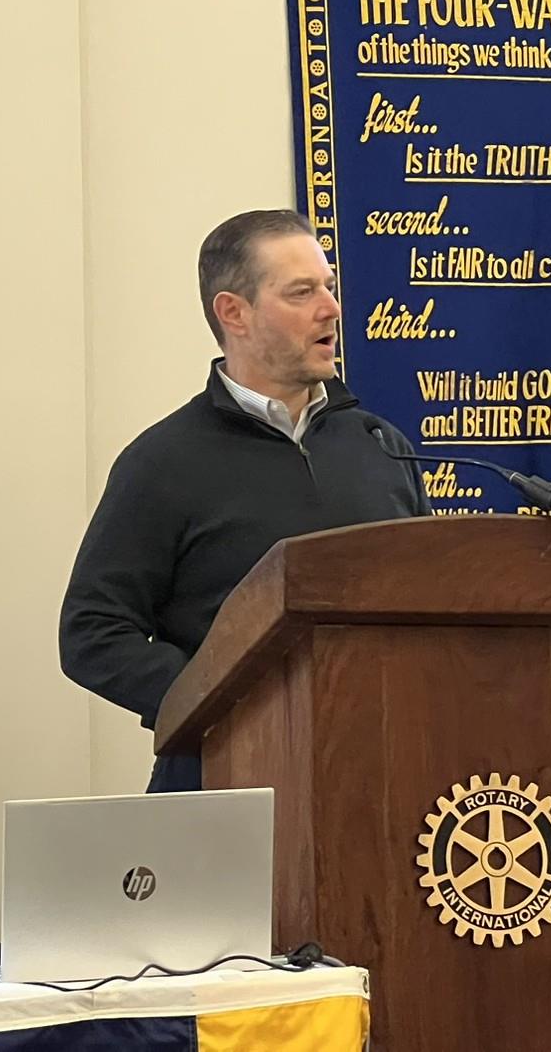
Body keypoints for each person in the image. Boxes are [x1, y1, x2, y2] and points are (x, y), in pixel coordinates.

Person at [60, 209, 430, 791]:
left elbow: (428, 612)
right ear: (234, 312)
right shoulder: (164, 461)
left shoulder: (380, 445)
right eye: (302, 292)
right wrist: (216, 697)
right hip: (226, 777)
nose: (332, 309)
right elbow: (93, 631)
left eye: (329, 287)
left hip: (383, 773)